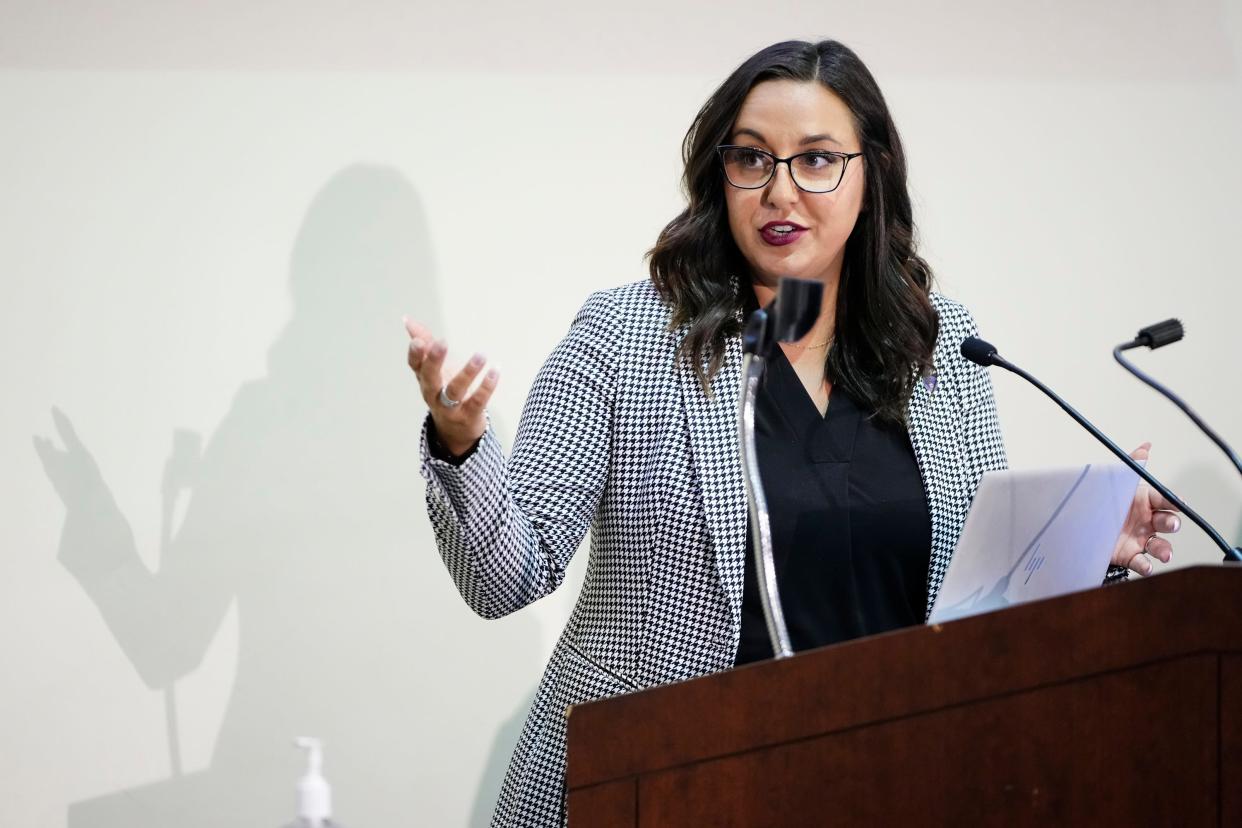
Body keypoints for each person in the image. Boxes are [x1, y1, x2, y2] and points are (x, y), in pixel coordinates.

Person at [402, 39, 1181, 827]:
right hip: (668, 785)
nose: (780, 191)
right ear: (721, 174)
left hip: (892, 783)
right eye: (752, 159)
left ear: (869, 173)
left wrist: (1087, 550)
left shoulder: (939, 348)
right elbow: (506, 578)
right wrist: (463, 444)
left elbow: (980, 605)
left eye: (815, 160)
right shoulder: (626, 338)